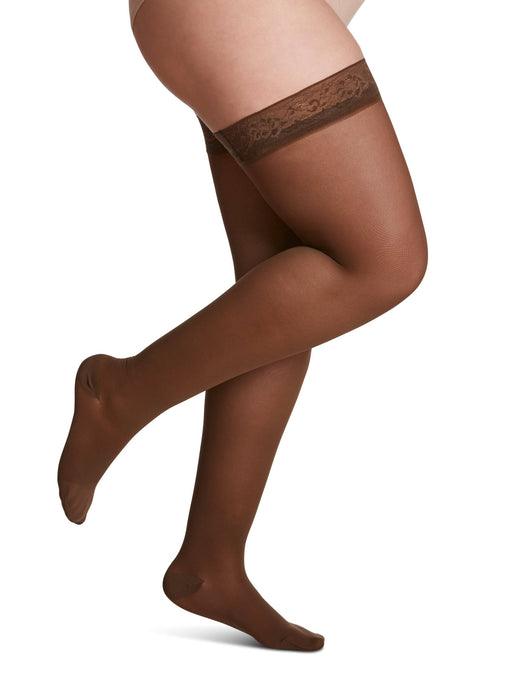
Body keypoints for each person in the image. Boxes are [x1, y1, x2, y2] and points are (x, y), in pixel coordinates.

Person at [57, 0, 428, 652]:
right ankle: (120, 393)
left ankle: (210, 563)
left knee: (281, 302)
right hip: (247, 14)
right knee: (382, 263)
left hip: (255, 22)